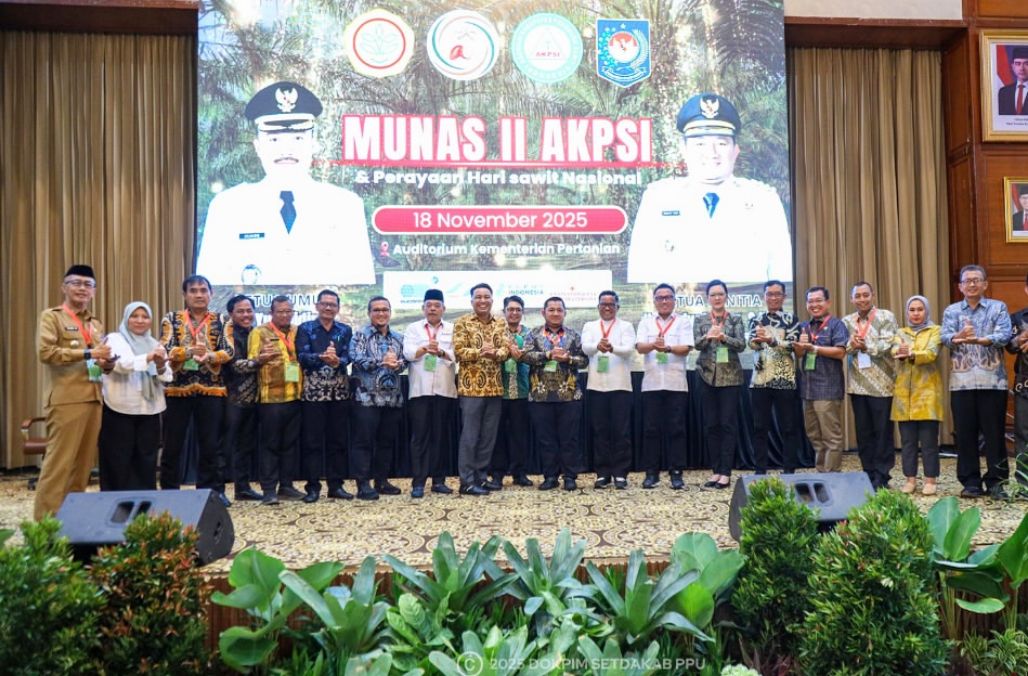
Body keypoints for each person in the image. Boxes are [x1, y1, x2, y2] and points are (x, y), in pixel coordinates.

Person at [195, 81, 375, 286]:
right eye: (274, 140)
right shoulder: (228, 206)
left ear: (314, 144)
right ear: (258, 147)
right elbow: (211, 287)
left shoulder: (345, 206)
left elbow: (359, 285)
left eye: (298, 138)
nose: (286, 150)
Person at [626, 92, 791, 284]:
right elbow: (641, 274)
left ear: (735, 150)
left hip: (748, 303)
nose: (711, 153)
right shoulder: (659, 199)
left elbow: (783, 274)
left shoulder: (763, 200)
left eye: (721, 143)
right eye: (700, 144)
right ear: (683, 150)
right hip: (679, 304)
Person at [34, 264, 115, 519]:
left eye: (88, 285)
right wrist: (89, 353)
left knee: (82, 468)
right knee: (58, 465)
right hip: (67, 400)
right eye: (76, 283)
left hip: (94, 399)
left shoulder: (95, 323)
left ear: (94, 291)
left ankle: (70, 521)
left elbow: (98, 361)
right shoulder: (52, 317)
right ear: (64, 287)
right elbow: (46, 353)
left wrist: (108, 363)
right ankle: (45, 526)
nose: (82, 288)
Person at [160, 275, 233, 505]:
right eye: (193, 290)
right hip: (177, 390)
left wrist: (209, 356)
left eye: (203, 290)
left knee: (211, 446)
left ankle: (211, 493)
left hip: (211, 390)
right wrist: (189, 352)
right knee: (172, 445)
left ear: (211, 294)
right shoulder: (171, 318)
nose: (199, 295)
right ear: (185, 295)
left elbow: (229, 351)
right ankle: (169, 492)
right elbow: (165, 348)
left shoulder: (223, 319)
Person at [941, 265, 1012, 498]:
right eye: (967, 281)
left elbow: (1004, 335)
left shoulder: (998, 307)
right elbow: (944, 337)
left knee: (994, 434)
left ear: (985, 284)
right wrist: (958, 336)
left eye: (976, 280)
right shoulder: (952, 311)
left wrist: (981, 340)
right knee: (965, 435)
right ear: (960, 286)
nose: (972, 284)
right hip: (961, 382)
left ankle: (996, 482)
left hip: (992, 382)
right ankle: (970, 482)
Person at [98, 302, 173, 491]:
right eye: (134, 316)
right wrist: (148, 358)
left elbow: (167, 376)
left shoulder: (155, 343)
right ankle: (115, 501)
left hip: (150, 409)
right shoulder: (115, 339)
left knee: (146, 459)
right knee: (118, 458)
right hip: (120, 407)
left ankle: (144, 501)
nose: (140, 320)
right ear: (126, 318)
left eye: (145, 317)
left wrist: (161, 365)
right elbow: (120, 365)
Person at [522, 297, 589, 491]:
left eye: (559, 310)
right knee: (546, 439)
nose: (555, 313)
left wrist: (569, 359)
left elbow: (584, 360)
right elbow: (525, 356)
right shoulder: (533, 334)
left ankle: (570, 476)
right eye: (551, 310)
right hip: (540, 395)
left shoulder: (573, 335)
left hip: (569, 395)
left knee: (570, 439)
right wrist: (547, 355)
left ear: (565, 313)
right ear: (543, 312)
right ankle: (550, 476)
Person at [296, 289, 354, 503]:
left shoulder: (344, 330)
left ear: (338, 308)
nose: (328, 308)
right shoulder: (306, 328)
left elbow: (348, 355)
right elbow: (302, 356)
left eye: (333, 305)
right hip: (314, 394)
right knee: (312, 443)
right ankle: (312, 488)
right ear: (317, 306)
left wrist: (338, 360)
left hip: (339, 394)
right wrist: (322, 357)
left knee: (337, 442)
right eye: (325, 304)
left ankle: (336, 485)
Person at [635, 283, 694, 489]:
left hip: (676, 383)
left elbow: (686, 348)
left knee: (676, 429)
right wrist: (654, 345)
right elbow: (640, 347)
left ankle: (676, 472)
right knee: (650, 430)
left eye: (668, 297)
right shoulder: (646, 322)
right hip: (651, 384)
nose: (664, 301)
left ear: (674, 300)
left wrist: (667, 348)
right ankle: (651, 473)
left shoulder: (683, 321)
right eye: (660, 298)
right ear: (654, 301)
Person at [453, 283, 510, 496]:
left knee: (488, 437)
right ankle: (466, 481)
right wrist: (480, 352)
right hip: (471, 389)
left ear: (492, 300)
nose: (483, 300)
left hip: (494, 388)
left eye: (487, 297)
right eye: (478, 297)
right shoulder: (462, 322)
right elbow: (458, 351)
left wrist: (495, 353)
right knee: (470, 437)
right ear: (472, 301)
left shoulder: (500, 322)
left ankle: (481, 477)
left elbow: (506, 349)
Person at [248, 296, 305, 505]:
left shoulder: (298, 331)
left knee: (290, 445)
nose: (285, 315)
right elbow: (251, 360)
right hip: (270, 398)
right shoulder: (259, 332)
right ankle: (269, 490)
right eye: (280, 311)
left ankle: (286, 486)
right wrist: (260, 358)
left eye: (289, 311)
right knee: (270, 445)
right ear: (271, 313)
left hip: (295, 395)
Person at [349, 296, 407, 500]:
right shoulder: (360, 335)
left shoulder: (399, 337)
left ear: (390, 312)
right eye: (376, 310)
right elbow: (355, 358)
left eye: (385, 310)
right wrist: (381, 362)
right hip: (367, 399)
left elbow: (406, 361)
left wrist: (398, 364)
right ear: (369, 313)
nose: (381, 313)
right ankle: (363, 484)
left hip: (392, 399)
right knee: (363, 442)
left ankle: (381, 481)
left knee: (386, 442)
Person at [841, 282, 898, 490]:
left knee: (883, 433)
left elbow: (888, 344)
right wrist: (852, 345)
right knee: (863, 433)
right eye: (858, 296)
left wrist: (865, 346)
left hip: (882, 385)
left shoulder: (886, 316)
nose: (862, 299)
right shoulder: (847, 321)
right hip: (857, 385)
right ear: (852, 299)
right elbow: (842, 347)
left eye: (866, 295)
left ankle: (882, 476)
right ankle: (868, 473)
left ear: (873, 295)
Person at [403, 289, 457, 498]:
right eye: (429, 305)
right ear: (423, 308)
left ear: (444, 308)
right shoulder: (413, 328)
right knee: (420, 438)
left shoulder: (452, 328)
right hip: (420, 391)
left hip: (445, 390)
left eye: (437, 305)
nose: (432, 309)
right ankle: (418, 482)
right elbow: (408, 353)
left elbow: (457, 354)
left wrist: (441, 352)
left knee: (440, 437)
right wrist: (425, 349)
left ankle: (439, 481)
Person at [694, 279, 747, 489]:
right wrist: (708, 337)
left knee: (727, 425)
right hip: (706, 377)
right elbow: (697, 344)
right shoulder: (700, 319)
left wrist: (724, 337)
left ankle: (726, 472)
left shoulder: (735, 319)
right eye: (713, 295)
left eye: (720, 294)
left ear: (726, 296)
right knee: (711, 425)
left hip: (730, 379)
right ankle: (716, 471)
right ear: (708, 298)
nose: (717, 298)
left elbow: (741, 345)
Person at [582, 291, 637, 489]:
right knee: (600, 431)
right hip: (596, 386)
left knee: (621, 432)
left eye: (611, 304)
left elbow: (629, 349)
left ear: (617, 307)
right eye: (603, 304)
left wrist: (611, 348)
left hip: (620, 386)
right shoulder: (589, 326)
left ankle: (621, 473)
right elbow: (585, 348)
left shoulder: (626, 326)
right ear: (598, 307)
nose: (607, 307)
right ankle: (602, 473)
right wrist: (598, 346)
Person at [746, 279, 801, 474]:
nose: (774, 298)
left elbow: (793, 345)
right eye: (770, 294)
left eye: (778, 294)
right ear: (764, 296)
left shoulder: (791, 319)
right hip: (760, 379)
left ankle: (789, 471)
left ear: (784, 296)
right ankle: (760, 470)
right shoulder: (756, 318)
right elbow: (751, 344)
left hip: (785, 379)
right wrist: (758, 339)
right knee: (759, 428)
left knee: (789, 428)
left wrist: (771, 340)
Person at [793, 286, 849, 473]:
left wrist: (814, 348)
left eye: (818, 300)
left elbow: (840, 352)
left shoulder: (836, 325)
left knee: (831, 436)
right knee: (814, 435)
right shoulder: (804, 326)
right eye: (810, 301)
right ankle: (821, 472)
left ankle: (831, 476)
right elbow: (799, 354)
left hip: (827, 389)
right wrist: (800, 347)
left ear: (828, 303)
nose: (814, 305)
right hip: (807, 389)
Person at [891, 295, 944, 496]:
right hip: (903, 395)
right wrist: (901, 351)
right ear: (907, 312)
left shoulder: (935, 330)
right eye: (912, 310)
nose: (916, 313)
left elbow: (931, 353)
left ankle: (930, 480)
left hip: (927, 395)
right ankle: (910, 479)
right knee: (908, 442)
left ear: (926, 311)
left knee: (929, 442)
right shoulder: (900, 332)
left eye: (920, 309)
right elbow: (895, 350)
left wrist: (911, 353)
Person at [222, 294, 269, 501]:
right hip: (232, 399)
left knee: (245, 446)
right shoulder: (227, 335)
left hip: (254, 398)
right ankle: (219, 491)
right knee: (227, 446)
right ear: (231, 314)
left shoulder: (257, 333)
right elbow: (234, 365)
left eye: (249, 310)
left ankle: (242, 488)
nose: (246, 315)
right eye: (240, 311)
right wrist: (258, 361)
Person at [491, 295, 534, 488]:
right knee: (497, 435)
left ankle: (520, 473)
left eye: (518, 310)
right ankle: (497, 474)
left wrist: (520, 355)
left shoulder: (529, 334)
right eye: (510, 309)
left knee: (520, 435)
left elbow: (533, 357)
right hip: (498, 391)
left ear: (522, 313)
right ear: (504, 311)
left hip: (522, 391)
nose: (514, 313)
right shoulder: (496, 332)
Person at [1008, 272, 1028, 484]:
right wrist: (1023, 337)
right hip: (1025, 382)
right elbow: (1010, 346)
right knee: (1023, 433)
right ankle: (1024, 482)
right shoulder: (1018, 318)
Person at [998, 46, 1028, 115]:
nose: (1022, 68)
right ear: (1013, 67)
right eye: (1018, 63)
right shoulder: (1003, 92)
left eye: (1026, 64)